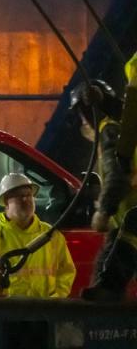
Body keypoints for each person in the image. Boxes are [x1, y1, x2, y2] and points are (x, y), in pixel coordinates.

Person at [73, 55, 137, 301]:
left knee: (126, 236)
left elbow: (118, 175)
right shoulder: (123, 126)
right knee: (113, 247)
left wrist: (104, 210)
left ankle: (108, 291)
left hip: (130, 212)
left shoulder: (109, 131)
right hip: (127, 214)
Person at [0, 172, 76, 297]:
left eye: (29, 195)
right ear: (6, 202)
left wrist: (55, 300)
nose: (26, 200)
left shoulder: (51, 236)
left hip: (42, 312)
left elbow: (66, 272)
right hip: (4, 314)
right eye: (19, 196)